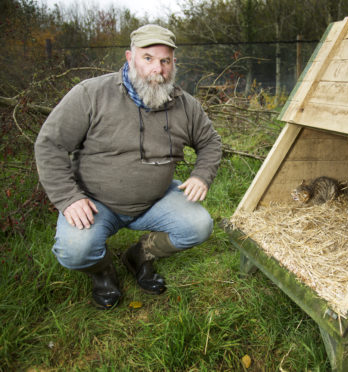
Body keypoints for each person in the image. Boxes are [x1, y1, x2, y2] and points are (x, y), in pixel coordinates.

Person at [34, 24, 222, 309]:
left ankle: (140, 255)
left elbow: (210, 142)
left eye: (165, 60)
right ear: (129, 57)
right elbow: (50, 144)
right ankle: (102, 272)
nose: (157, 69)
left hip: (155, 200)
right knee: (74, 251)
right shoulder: (91, 94)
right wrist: (68, 198)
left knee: (199, 226)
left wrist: (201, 175)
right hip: (97, 203)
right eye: (148, 58)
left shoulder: (186, 105)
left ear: (173, 64)